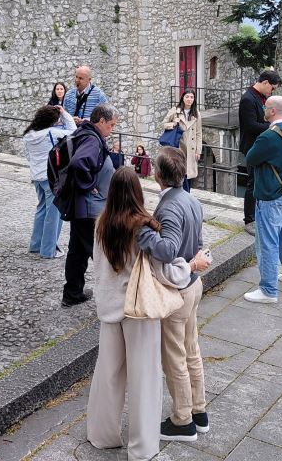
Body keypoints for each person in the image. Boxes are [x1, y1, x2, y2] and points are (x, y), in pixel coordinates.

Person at [86, 168, 194, 461]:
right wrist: (191, 267)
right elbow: (162, 270)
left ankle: (101, 434)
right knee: (145, 379)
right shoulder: (143, 225)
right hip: (140, 310)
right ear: (137, 191)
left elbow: (97, 267)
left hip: (110, 308)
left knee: (107, 375)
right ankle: (142, 447)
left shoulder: (101, 224)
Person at [137, 146, 213, 442]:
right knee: (191, 351)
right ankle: (199, 411)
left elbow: (167, 249)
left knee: (175, 358)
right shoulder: (190, 200)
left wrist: (142, 232)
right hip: (192, 284)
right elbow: (197, 240)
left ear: (158, 175)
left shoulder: (168, 207)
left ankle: (182, 421)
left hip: (177, 291)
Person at [242, 95, 282, 304]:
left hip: (270, 194)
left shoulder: (268, 136)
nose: (263, 110)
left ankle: (268, 290)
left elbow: (250, 158)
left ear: (272, 111)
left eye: (265, 108)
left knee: (267, 242)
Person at [59, 103, 118, 307]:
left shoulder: (85, 132)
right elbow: (78, 163)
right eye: (111, 125)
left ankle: (72, 293)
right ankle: (113, 298)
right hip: (89, 209)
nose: (112, 130)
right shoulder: (92, 140)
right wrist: (90, 184)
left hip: (82, 207)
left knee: (77, 251)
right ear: (101, 121)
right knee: (100, 254)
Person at [23, 104, 76, 259]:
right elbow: (73, 131)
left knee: (41, 210)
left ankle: (36, 244)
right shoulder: (51, 133)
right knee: (53, 214)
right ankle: (48, 250)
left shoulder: (29, 135)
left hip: (36, 177)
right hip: (51, 178)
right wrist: (64, 113)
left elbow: (28, 156)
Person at [238, 69, 282, 235]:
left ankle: (258, 215)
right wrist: (274, 125)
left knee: (258, 181)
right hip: (252, 146)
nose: (272, 91)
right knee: (252, 183)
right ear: (265, 83)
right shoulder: (248, 99)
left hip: (261, 145)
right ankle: (249, 220)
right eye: (272, 88)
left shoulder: (261, 96)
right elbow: (251, 126)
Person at [161, 90, 203, 192]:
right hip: (178, 147)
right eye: (187, 97)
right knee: (178, 173)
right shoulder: (175, 111)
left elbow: (198, 133)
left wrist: (198, 150)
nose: (189, 99)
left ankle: (185, 196)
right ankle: (180, 196)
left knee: (188, 175)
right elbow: (163, 124)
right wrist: (173, 124)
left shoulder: (196, 113)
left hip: (191, 149)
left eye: (192, 97)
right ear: (183, 98)